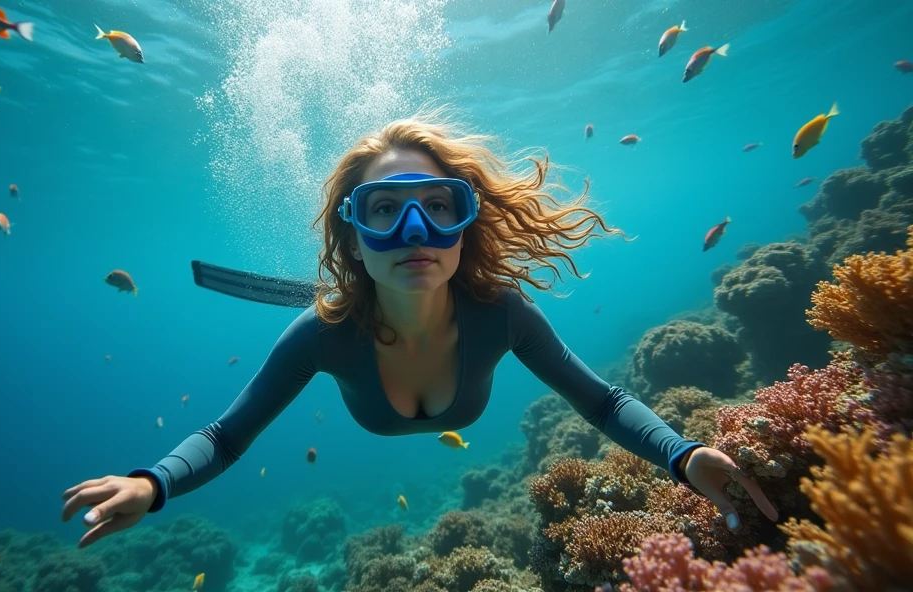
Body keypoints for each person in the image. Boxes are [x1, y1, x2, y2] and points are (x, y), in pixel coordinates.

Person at [61, 109, 778, 549]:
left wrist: (685, 457)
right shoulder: (320, 336)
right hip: (342, 306)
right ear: (354, 229)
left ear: (468, 222)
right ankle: (348, 284)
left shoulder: (503, 314)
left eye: (441, 207)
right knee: (332, 307)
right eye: (383, 211)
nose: (415, 232)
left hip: (365, 296)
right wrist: (151, 485)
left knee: (346, 301)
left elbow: (603, 401)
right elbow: (224, 436)